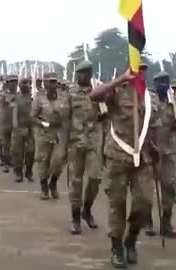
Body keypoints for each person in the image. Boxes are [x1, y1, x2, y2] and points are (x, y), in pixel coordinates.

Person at [89, 63, 160, 268]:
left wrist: (156, 151)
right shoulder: (117, 93)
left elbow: (154, 127)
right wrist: (120, 80)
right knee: (117, 204)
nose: (141, 73)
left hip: (144, 158)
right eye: (136, 69)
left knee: (144, 203)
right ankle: (117, 246)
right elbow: (94, 96)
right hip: (118, 157)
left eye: (143, 69)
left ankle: (131, 239)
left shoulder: (151, 98)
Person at [144, 71, 176, 238]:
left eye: (166, 82)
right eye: (160, 82)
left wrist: (173, 104)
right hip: (150, 152)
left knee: (169, 188)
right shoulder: (148, 101)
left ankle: (166, 223)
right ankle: (147, 221)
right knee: (146, 190)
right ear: (154, 84)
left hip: (168, 154)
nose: (163, 85)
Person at [67, 60, 102, 234]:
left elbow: (105, 115)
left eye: (85, 73)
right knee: (76, 181)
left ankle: (87, 209)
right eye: (79, 73)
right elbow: (66, 118)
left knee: (95, 178)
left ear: (89, 75)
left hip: (94, 142)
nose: (81, 76)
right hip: (75, 142)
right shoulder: (70, 94)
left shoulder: (98, 93)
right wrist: (65, 141)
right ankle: (75, 218)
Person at [31, 72, 69, 200]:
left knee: (58, 161)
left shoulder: (63, 97)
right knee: (43, 160)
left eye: (55, 81)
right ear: (45, 83)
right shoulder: (39, 98)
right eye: (50, 81)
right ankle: (44, 188)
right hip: (43, 133)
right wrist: (44, 124)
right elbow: (33, 117)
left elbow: (68, 114)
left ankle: (53, 182)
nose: (53, 84)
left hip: (58, 134)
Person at [11, 78, 35, 183]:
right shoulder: (15, 98)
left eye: (27, 84)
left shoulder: (32, 98)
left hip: (30, 129)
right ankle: (18, 173)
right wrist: (15, 126)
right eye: (23, 84)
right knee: (17, 153)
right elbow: (14, 112)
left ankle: (28, 172)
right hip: (19, 128)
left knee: (31, 152)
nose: (26, 86)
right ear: (20, 86)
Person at [0, 75, 18, 173]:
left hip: (15, 124)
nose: (14, 84)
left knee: (14, 145)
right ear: (8, 83)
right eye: (11, 82)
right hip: (5, 123)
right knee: (5, 143)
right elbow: (6, 102)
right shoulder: (3, 95)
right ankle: (5, 163)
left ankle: (10, 161)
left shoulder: (19, 95)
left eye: (15, 82)